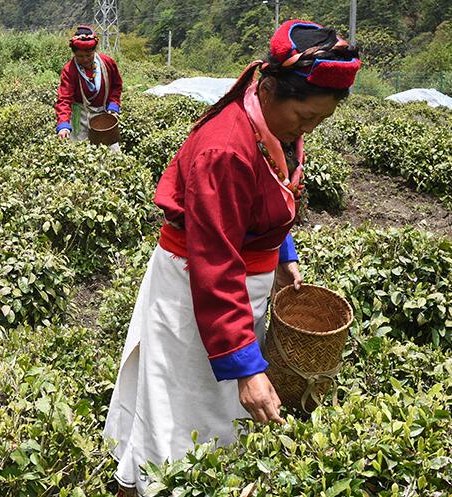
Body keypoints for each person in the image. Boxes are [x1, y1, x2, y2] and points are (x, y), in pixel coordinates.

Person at [103, 20, 361, 494]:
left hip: (236, 292)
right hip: (196, 292)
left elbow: (271, 191)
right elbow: (215, 263)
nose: (307, 129)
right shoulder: (224, 149)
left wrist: (283, 251)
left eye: (318, 121)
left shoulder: (268, 123)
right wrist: (245, 365)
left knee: (213, 411)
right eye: (304, 118)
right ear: (267, 89)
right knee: (182, 408)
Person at [54, 25, 123, 151]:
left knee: (112, 153)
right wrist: (63, 125)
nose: (85, 60)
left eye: (89, 55)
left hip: (104, 114)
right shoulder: (70, 70)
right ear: (74, 53)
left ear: (94, 51)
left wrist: (113, 106)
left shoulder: (108, 63)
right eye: (80, 56)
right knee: (81, 152)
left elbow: (116, 86)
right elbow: (64, 99)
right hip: (80, 116)